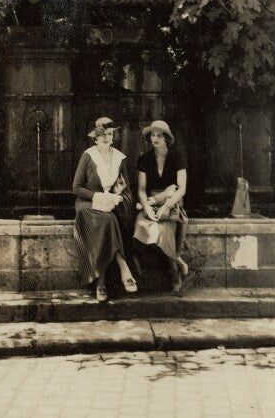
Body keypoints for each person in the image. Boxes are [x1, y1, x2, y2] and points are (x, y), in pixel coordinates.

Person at [72, 116, 138, 302]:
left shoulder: (119, 158)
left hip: (110, 204)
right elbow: (76, 188)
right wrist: (98, 196)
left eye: (110, 134)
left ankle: (101, 284)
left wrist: (119, 193)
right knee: (108, 220)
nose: (107, 138)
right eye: (103, 135)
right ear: (95, 137)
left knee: (110, 218)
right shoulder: (88, 156)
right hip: (88, 204)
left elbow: (127, 190)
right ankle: (123, 266)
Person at [134, 119, 189, 294]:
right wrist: (146, 206)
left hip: (172, 202)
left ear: (166, 138)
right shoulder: (144, 159)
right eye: (152, 134)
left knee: (164, 231)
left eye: (159, 135)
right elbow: (141, 190)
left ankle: (174, 273)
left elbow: (182, 189)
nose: (155, 138)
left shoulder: (177, 157)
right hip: (150, 201)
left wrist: (167, 205)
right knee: (141, 226)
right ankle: (143, 275)